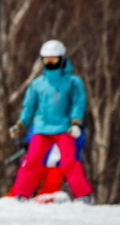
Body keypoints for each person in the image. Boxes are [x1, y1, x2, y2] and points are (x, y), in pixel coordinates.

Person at [8, 40, 92, 203]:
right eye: (47, 60)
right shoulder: (38, 83)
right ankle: (20, 194)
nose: (50, 63)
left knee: (68, 162)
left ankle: (83, 195)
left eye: (54, 60)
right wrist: (20, 124)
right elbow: (29, 107)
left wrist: (75, 122)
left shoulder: (72, 82)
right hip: (42, 129)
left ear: (61, 59)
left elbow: (77, 103)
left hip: (64, 128)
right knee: (31, 161)